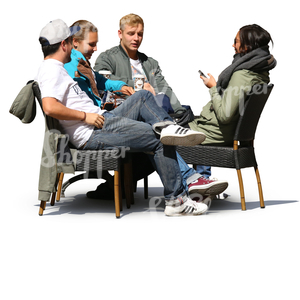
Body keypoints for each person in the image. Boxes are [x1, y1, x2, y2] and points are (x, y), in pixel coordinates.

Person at [36, 19, 209, 217]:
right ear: (65, 44)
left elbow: (98, 83)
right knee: (160, 138)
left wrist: (116, 90)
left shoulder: (58, 67)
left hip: (102, 120)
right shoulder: (51, 69)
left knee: (142, 97)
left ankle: (169, 127)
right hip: (93, 131)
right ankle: (177, 200)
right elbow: (50, 107)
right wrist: (86, 116)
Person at [64, 19, 229, 200]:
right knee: (156, 131)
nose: (95, 49)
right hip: (96, 125)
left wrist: (121, 86)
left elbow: (103, 81)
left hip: (105, 118)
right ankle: (186, 184)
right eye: (91, 44)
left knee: (148, 102)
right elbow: (58, 102)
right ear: (75, 42)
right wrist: (86, 114)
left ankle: (172, 137)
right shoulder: (70, 66)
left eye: (140, 34)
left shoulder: (84, 63)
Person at [189, 24, 276, 178]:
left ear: (247, 46)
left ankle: (188, 185)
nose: (233, 45)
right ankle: (201, 181)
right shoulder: (259, 70)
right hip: (227, 131)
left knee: (162, 136)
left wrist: (213, 87)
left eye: (236, 41)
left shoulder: (243, 74)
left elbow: (224, 115)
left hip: (218, 133)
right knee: (179, 116)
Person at [94, 13, 186, 115]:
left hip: (155, 111)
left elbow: (163, 88)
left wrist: (179, 111)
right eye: (131, 33)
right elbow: (100, 79)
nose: (136, 38)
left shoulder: (150, 63)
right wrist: (138, 85)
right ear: (120, 34)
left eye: (140, 34)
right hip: (124, 111)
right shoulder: (107, 58)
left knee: (180, 108)